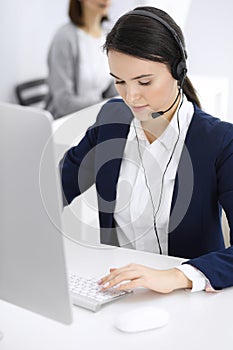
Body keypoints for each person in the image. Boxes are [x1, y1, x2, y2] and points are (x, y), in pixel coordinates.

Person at [60, 6, 233, 294]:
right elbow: (58, 186)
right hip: (116, 291)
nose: (131, 96)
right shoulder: (111, 121)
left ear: (178, 71)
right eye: (119, 81)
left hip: (187, 299)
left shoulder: (220, 142)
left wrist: (176, 276)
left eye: (144, 82)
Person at [46, 0, 117, 119]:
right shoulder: (65, 38)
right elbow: (63, 104)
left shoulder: (108, 35)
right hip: (66, 122)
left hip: (96, 116)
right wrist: (107, 105)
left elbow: (111, 86)